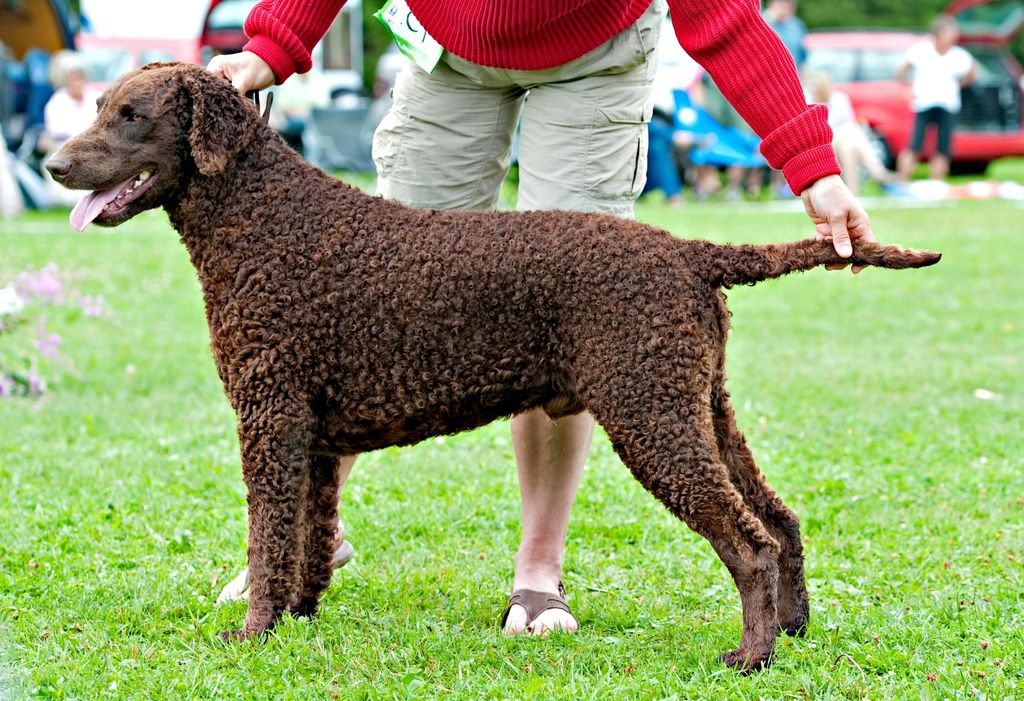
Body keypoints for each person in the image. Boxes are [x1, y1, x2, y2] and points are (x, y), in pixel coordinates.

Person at [209, 0, 877, 637]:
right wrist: (271, 46)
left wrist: (812, 167)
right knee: (372, 296)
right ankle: (305, 541)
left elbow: (724, 19)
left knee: (577, 305)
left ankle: (538, 569)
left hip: (594, 48)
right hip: (450, 42)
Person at [895, 15, 976, 182]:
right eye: (950, 32)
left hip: (948, 104)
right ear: (939, 33)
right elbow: (902, 69)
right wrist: (906, 88)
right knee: (915, 144)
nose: (954, 36)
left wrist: (959, 85)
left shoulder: (959, 55)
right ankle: (902, 180)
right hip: (924, 103)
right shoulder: (922, 50)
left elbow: (972, 72)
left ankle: (936, 182)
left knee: (943, 147)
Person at [805, 72, 895, 196]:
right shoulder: (809, 102)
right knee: (852, 131)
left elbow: (849, 120)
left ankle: (853, 194)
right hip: (825, 141)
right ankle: (877, 171)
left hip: (844, 140)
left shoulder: (839, 98)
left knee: (849, 149)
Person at [40, 52, 102, 207]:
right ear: (66, 81)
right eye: (73, 79)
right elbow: (57, 135)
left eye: (80, 78)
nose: (77, 83)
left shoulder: (97, 97)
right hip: (66, 151)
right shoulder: (56, 103)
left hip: (93, 150)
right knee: (65, 199)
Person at [763, 0, 807, 68]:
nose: (783, 8)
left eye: (787, 4)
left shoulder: (797, 25)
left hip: (794, 69)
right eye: (780, 5)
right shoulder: (764, 23)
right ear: (771, 5)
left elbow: (803, 53)